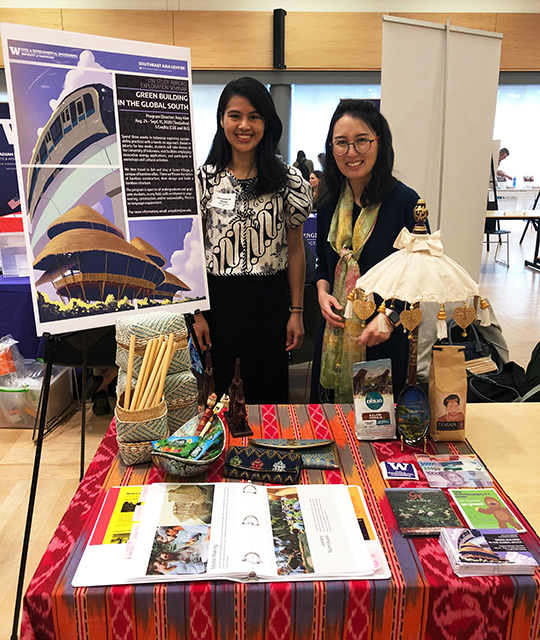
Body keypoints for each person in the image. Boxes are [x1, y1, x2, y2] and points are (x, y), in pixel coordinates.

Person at [195, 77, 312, 404]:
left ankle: (270, 454)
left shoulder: (289, 181)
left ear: (266, 123)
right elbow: (193, 251)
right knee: (219, 396)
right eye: (235, 116)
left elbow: (295, 248)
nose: (244, 125)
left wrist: (297, 311)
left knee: (268, 391)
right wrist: (197, 314)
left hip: (269, 302)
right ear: (222, 120)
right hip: (218, 305)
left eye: (254, 116)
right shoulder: (203, 181)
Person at [311, 99, 419, 403]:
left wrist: (390, 316)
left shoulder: (404, 202)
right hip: (333, 330)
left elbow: (417, 275)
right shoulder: (329, 200)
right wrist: (321, 292)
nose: (352, 152)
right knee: (329, 426)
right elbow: (322, 261)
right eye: (341, 143)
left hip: (382, 336)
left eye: (362, 141)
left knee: (376, 431)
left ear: (379, 143)